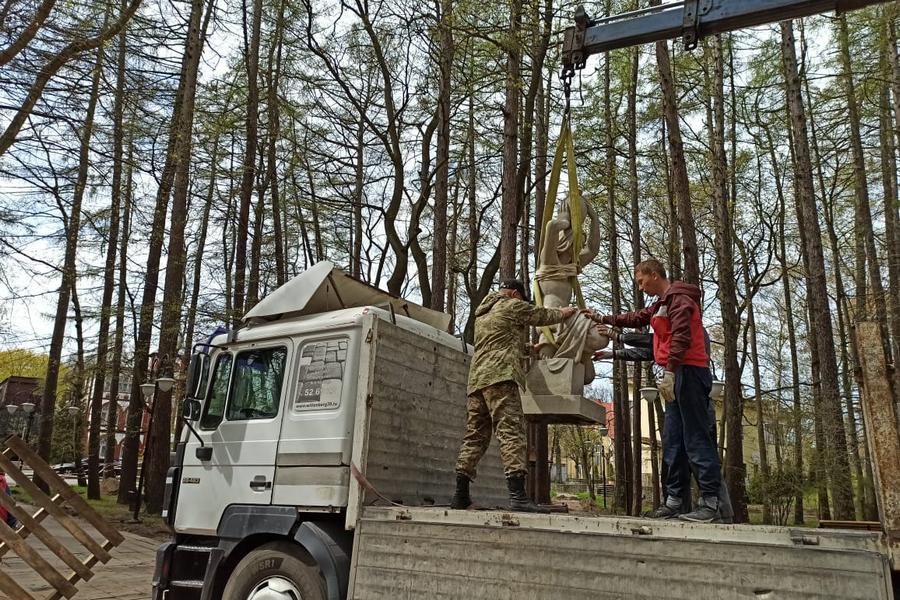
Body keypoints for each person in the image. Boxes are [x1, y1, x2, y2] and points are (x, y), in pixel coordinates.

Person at [587, 259, 724, 522]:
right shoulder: (662, 304)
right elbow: (636, 318)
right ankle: (674, 501)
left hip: (690, 372)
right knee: (673, 440)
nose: (640, 286)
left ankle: (710, 503)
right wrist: (602, 317)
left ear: (653, 274)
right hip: (675, 375)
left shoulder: (680, 299)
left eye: (641, 281)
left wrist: (671, 371)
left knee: (696, 438)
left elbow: (682, 336)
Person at [451, 279, 579, 513]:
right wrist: (563, 312)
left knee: (475, 437)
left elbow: (499, 343)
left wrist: (532, 349)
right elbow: (539, 314)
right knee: (511, 433)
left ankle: (460, 495)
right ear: (514, 294)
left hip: (477, 382)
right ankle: (518, 496)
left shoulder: (484, 313)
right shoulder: (511, 305)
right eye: (522, 299)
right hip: (501, 379)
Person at [592, 327, 734, 523]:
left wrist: (618, 335)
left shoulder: (688, 329)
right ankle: (676, 506)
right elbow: (653, 349)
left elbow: (654, 343)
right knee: (674, 453)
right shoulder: (671, 334)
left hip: (695, 399)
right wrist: (615, 353)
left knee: (700, 454)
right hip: (676, 397)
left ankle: (720, 511)